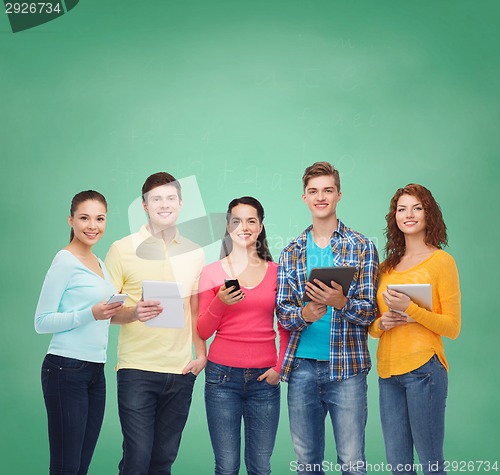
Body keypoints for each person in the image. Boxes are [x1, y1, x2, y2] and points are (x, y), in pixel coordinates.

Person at [276, 162, 379, 475]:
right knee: (306, 464)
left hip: (347, 369)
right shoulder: (291, 251)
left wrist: (341, 302)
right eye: (313, 191)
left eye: (327, 190)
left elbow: (370, 312)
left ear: (338, 196)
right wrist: (305, 314)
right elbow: (283, 312)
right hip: (301, 369)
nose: (320, 197)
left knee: (351, 462)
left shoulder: (362, 247)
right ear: (304, 198)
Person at [104, 172, 206, 475]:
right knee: (137, 459)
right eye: (156, 199)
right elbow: (108, 310)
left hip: (180, 372)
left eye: (170, 198)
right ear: (145, 205)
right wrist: (135, 312)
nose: (164, 204)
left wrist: (201, 355)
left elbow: (195, 309)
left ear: (181, 203)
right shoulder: (121, 249)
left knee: (163, 461)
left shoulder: (195, 252)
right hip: (137, 369)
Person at [368, 184, 461, 475]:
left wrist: (411, 309)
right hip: (388, 375)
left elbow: (453, 327)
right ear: (394, 216)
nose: (408, 215)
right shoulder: (385, 268)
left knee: (431, 463)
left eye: (417, 208)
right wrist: (381, 324)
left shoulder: (442, 262)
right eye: (401, 209)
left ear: (428, 214)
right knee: (399, 467)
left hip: (425, 372)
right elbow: (372, 326)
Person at [197, 196, 288, 475]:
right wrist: (220, 302)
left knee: (260, 467)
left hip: (265, 379)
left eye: (251, 221)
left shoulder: (277, 272)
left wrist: (279, 368)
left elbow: (285, 326)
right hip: (221, 378)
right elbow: (202, 330)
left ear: (260, 227)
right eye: (237, 220)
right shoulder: (211, 273)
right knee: (226, 467)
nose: (244, 226)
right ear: (228, 226)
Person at [35, 190, 123, 475]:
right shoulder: (64, 260)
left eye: (99, 218)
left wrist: (136, 311)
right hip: (65, 369)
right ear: (71, 220)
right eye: (84, 218)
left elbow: (106, 314)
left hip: (95, 371)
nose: (92, 226)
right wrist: (90, 314)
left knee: (81, 466)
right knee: (66, 466)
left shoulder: (100, 264)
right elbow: (42, 321)